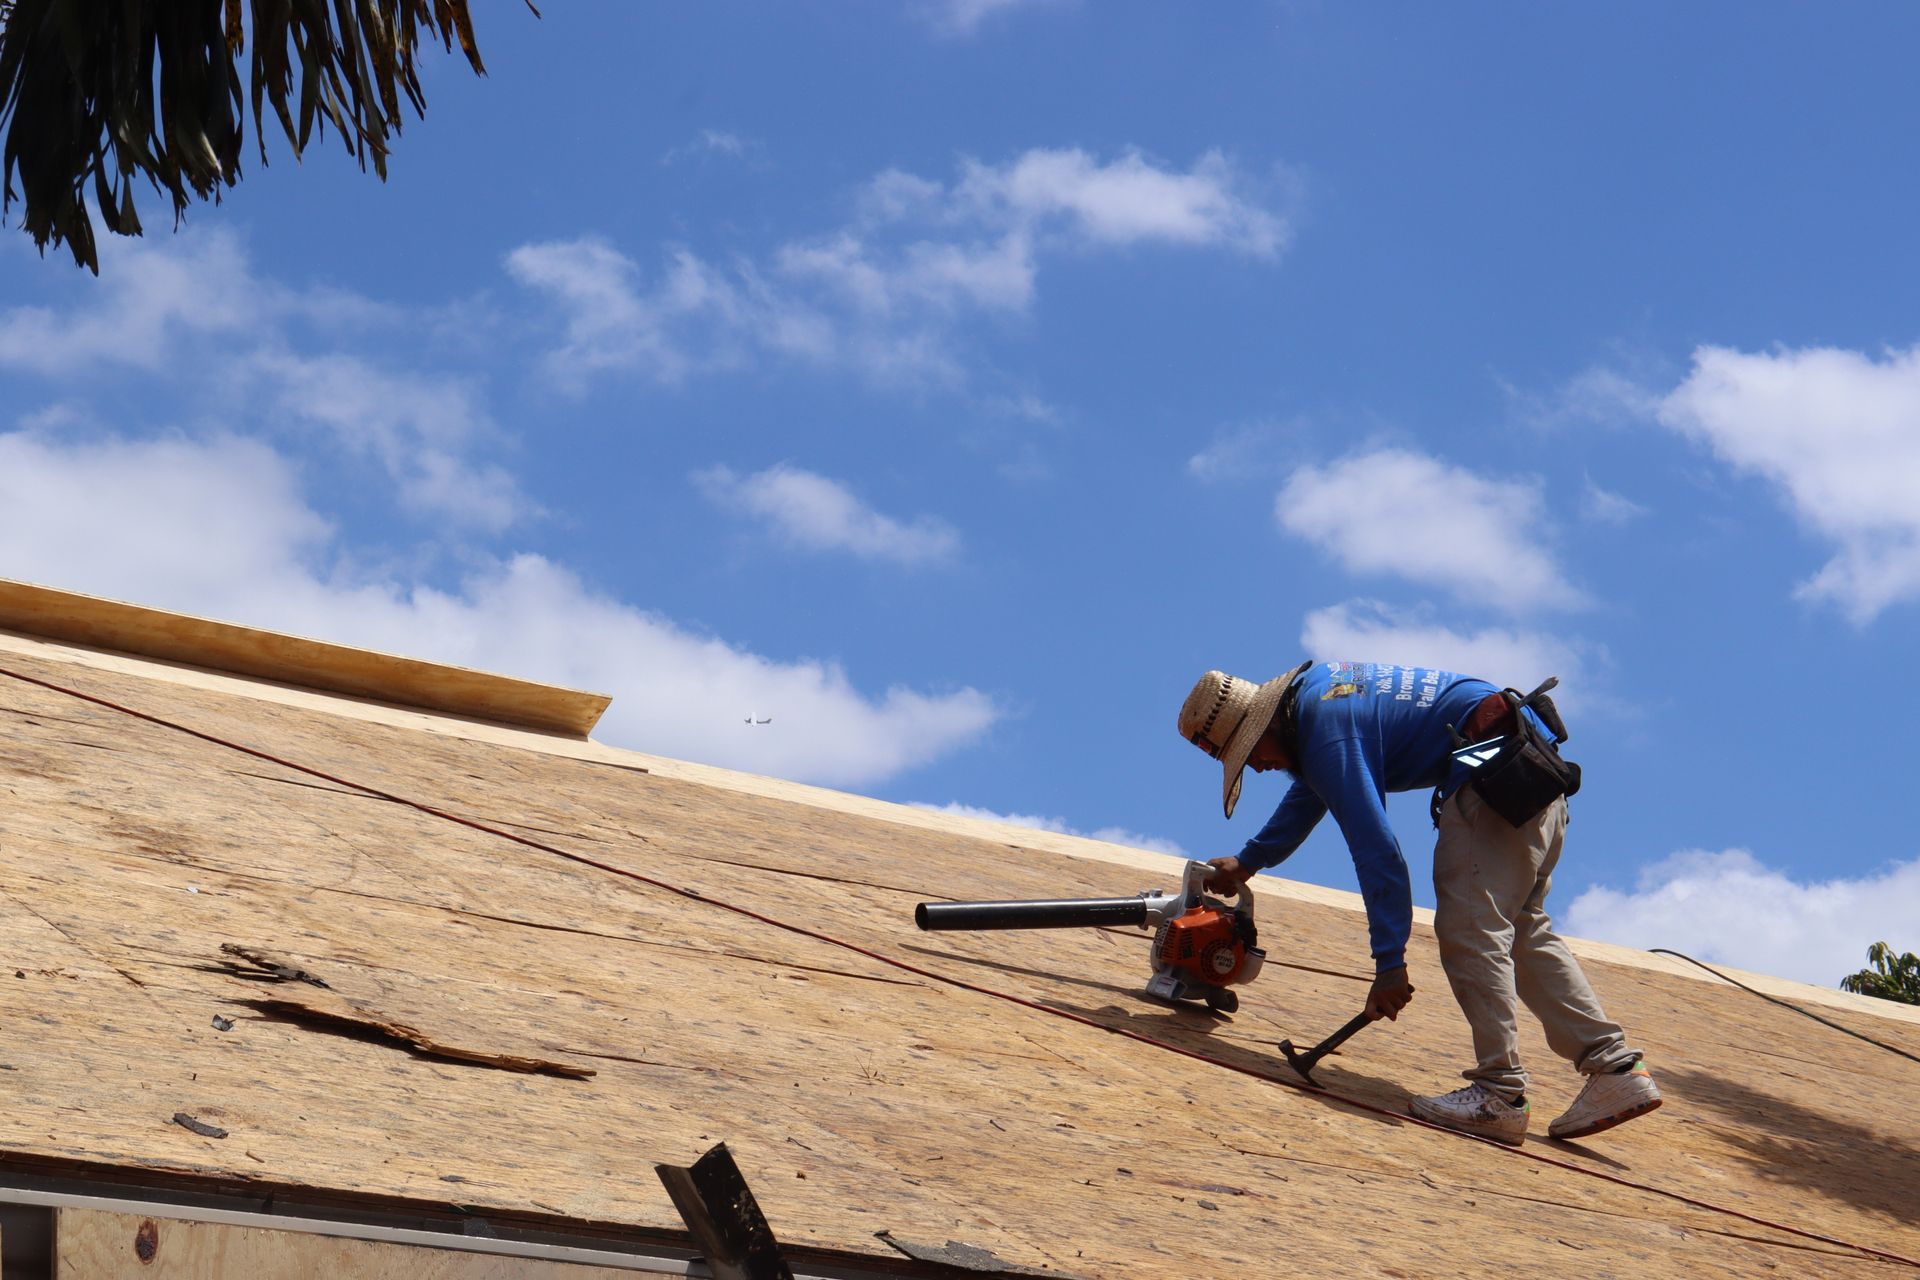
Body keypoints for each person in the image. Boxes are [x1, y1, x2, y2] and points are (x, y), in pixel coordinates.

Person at [1177, 661, 1660, 1145]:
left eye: (1250, 755)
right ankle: (1615, 1068)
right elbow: (1315, 791)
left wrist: (1390, 963)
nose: (1258, 767)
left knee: (1471, 929)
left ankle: (1500, 1094)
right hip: (1533, 776)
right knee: (1521, 929)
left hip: (1493, 776)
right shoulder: (1322, 700)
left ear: (1263, 724)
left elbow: (1378, 851)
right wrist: (1250, 860)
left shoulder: (1324, 732)